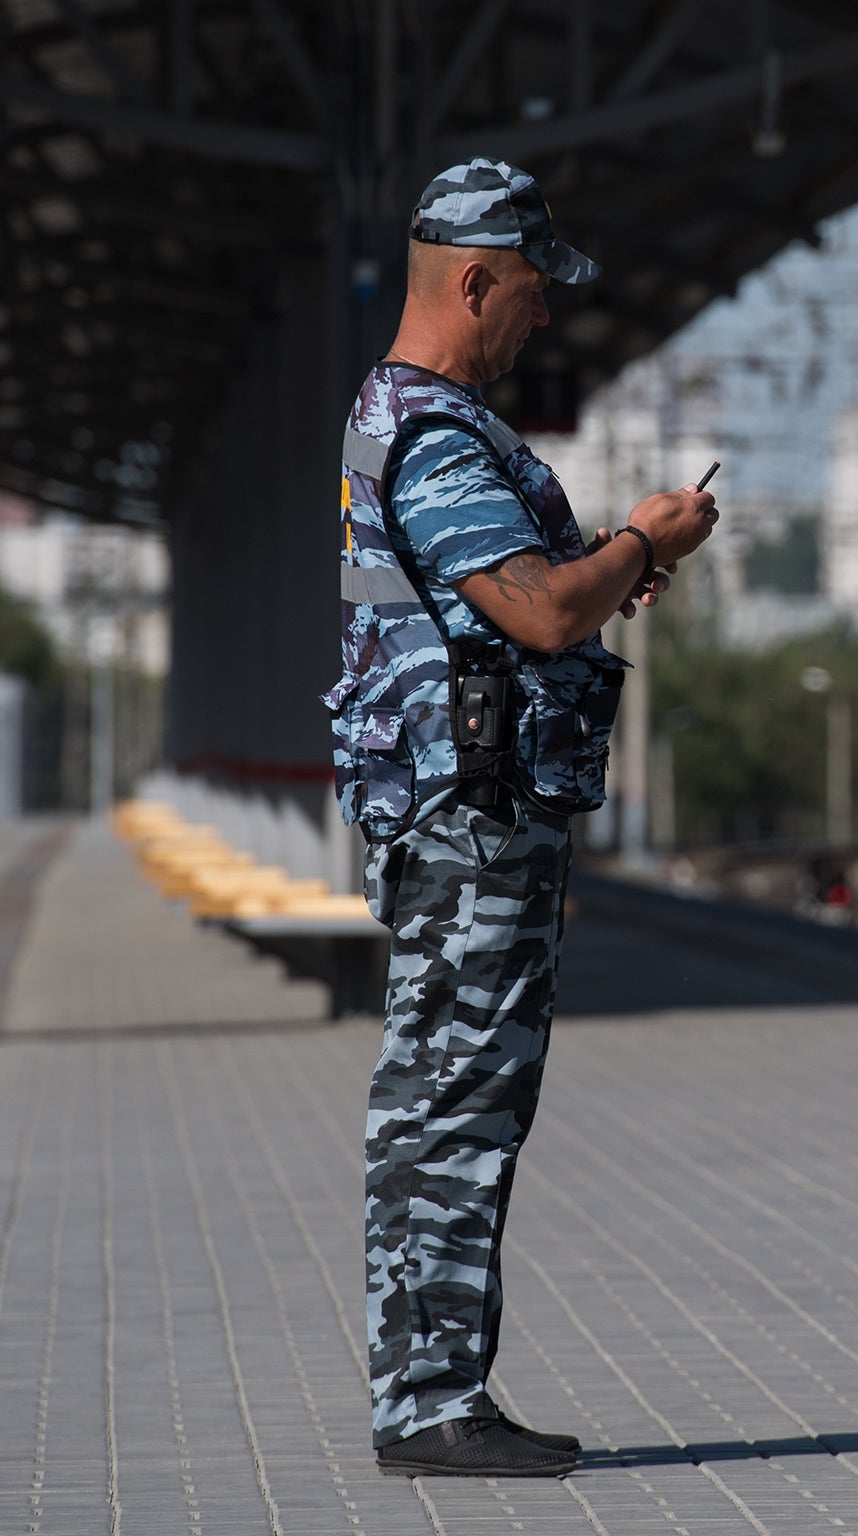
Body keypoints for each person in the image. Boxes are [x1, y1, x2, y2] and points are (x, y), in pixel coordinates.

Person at [324, 157, 718, 1478]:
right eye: (534, 293)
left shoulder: (418, 421)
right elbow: (538, 607)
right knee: (451, 1101)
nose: (544, 319)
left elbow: (529, 599)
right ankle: (432, 1402)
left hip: (467, 813)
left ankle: (439, 1389)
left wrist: (604, 567)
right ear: (476, 280)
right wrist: (647, 544)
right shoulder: (434, 430)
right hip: (467, 824)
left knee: (460, 1100)